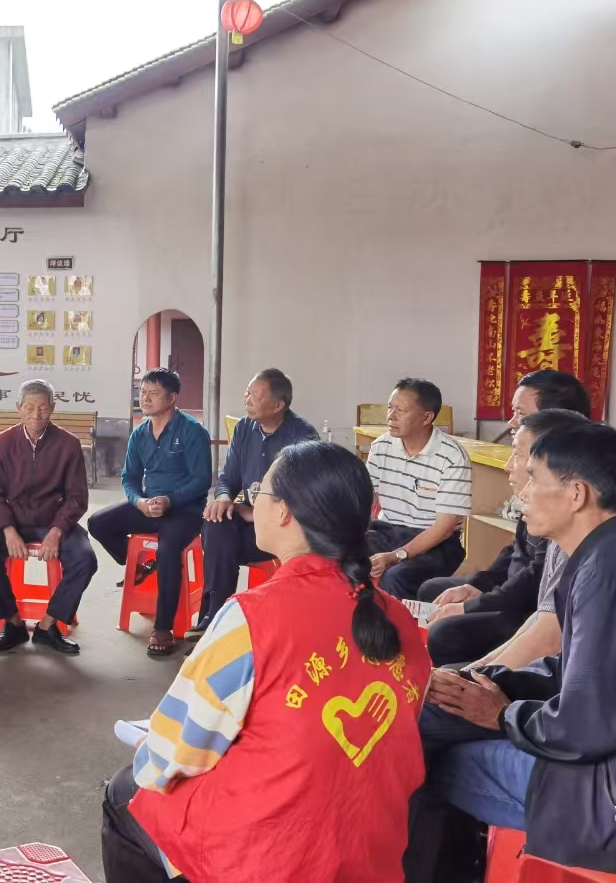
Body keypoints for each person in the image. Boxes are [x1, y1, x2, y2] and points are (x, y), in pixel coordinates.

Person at [101, 441, 431, 882]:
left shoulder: (253, 618)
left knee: (126, 790)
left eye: (260, 491)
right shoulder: (401, 620)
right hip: (371, 853)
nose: (252, 501)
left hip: (273, 858)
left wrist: (151, 756)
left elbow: (174, 752)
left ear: (285, 511)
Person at [416, 421, 616, 874]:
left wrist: (502, 714)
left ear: (576, 494)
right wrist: (486, 682)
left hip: (609, 795)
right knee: (432, 714)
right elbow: (572, 671)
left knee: (420, 763)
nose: (523, 492)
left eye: (534, 477)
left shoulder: (610, 569)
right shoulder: (606, 552)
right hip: (601, 757)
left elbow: (586, 725)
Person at [422, 407, 588, 667]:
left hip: (550, 657)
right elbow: (539, 615)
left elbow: (548, 638)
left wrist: (476, 677)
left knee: (445, 637)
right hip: (532, 627)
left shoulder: (589, 550)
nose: (508, 466)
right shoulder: (557, 532)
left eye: (532, 474)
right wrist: (476, 670)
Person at [418, 370, 590, 609]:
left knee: (446, 624)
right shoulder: (534, 474)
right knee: (433, 591)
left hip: (529, 603)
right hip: (511, 588)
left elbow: (536, 576)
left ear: (553, 419)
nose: (511, 422)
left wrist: (479, 604)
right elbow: (518, 550)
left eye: (521, 414)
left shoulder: (564, 488)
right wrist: (478, 585)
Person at [88, 368, 211, 656]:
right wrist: (139, 502)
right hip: (150, 505)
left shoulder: (192, 431)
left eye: (153, 393)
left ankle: (163, 628)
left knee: (168, 551)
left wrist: (170, 500)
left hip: (186, 510)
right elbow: (129, 478)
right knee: (98, 523)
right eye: (143, 392)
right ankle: (142, 566)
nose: (145, 398)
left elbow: (202, 480)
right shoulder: (140, 433)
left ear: (172, 398)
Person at [0, 379, 97, 656]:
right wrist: (7, 529)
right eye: (29, 407)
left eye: (43, 408)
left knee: (85, 559)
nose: (36, 415)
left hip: (54, 522)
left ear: (52, 408)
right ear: (18, 408)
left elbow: (77, 497)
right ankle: (13, 623)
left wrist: (57, 530)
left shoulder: (68, 444)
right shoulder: (3, 442)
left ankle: (48, 625)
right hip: (15, 521)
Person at [193, 368, 318, 634]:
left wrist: (256, 513)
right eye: (247, 393)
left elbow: (304, 495)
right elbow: (228, 478)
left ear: (278, 405)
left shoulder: (303, 436)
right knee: (216, 523)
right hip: (249, 524)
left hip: (284, 529)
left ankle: (220, 621)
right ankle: (215, 616)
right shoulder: (243, 428)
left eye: (256, 396)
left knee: (221, 544)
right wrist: (223, 498)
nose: (247, 400)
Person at [365, 377, 471, 600]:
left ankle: (400, 623)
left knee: (395, 577)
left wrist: (395, 556)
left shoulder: (452, 456)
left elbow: (444, 528)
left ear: (427, 418)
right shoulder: (381, 446)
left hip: (436, 541)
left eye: (401, 410)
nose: (390, 416)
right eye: (390, 408)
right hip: (387, 530)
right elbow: (366, 500)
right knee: (337, 557)